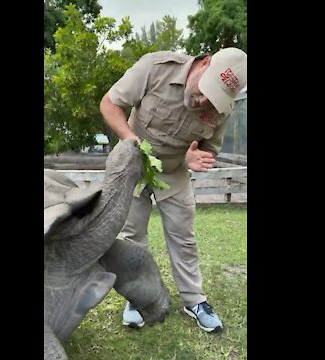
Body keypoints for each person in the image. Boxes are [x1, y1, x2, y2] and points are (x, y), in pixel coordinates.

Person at [99, 47, 247, 333]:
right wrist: (134, 144)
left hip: (176, 172)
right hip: (135, 166)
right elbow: (109, 104)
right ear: (204, 63)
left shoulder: (221, 108)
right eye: (204, 90)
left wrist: (191, 159)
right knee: (132, 237)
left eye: (212, 100)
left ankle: (195, 301)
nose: (203, 101)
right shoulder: (156, 67)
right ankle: (137, 298)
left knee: (184, 239)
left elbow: (207, 150)